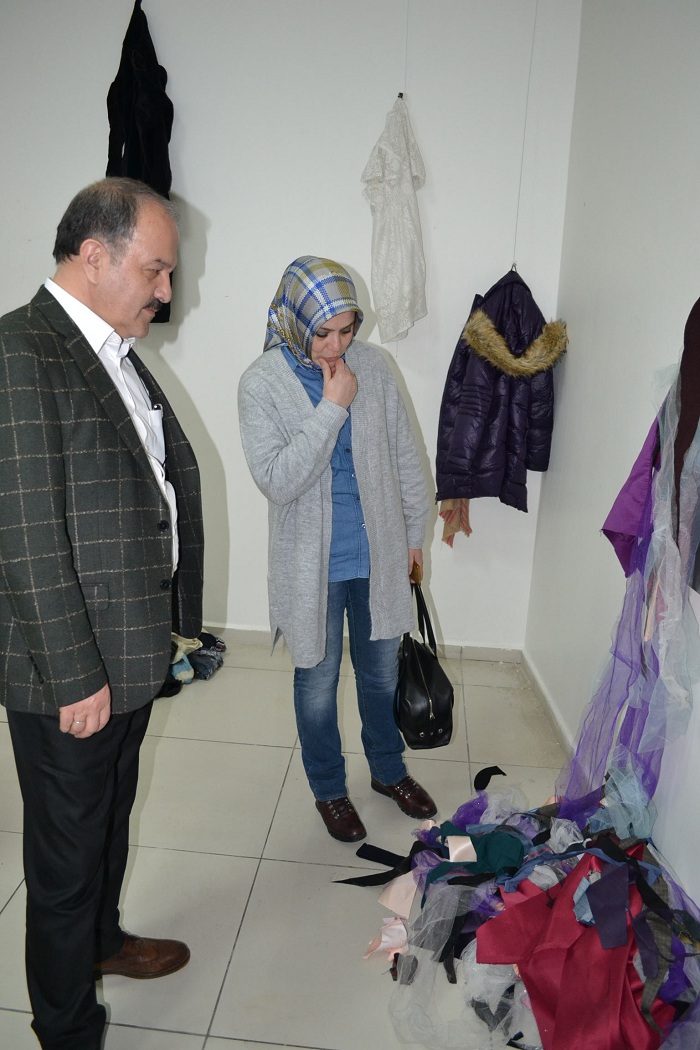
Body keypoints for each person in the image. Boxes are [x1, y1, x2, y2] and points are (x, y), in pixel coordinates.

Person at [0, 178, 204, 1050]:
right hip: (71, 674)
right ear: (94, 256)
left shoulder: (109, 348)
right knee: (64, 860)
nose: (167, 289)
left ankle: (103, 941)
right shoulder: (21, 351)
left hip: (128, 651)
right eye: (155, 270)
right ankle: (66, 1027)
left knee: (109, 816)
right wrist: (75, 675)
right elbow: (23, 531)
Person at [238, 256, 435, 843]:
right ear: (293, 322)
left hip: (378, 556)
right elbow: (277, 479)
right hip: (312, 568)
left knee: (379, 676)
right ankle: (328, 788)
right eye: (322, 332)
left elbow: (405, 456)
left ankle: (388, 770)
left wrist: (414, 535)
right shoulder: (261, 383)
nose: (336, 346)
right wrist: (332, 408)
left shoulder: (372, 366)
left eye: (347, 330)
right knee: (318, 685)